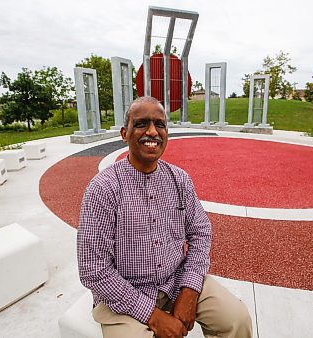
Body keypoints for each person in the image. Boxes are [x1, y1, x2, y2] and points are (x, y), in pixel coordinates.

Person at [77, 96, 252, 338]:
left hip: (177, 279)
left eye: (159, 124)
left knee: (237, 319)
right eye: (141, 124)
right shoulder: (103, 189)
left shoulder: (179, 180)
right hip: (124, 295)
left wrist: (190, 290)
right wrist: (153, 315)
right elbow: (93, 269)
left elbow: (200, 232)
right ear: (124, 133)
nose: (152, 131)